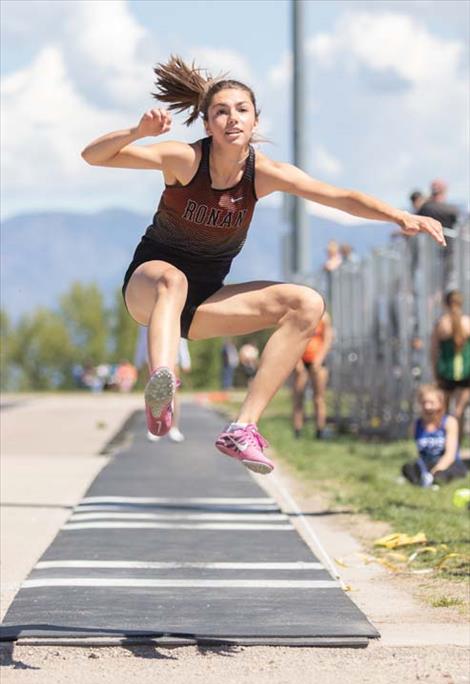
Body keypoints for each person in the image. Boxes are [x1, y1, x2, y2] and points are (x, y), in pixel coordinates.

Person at [81, 55, 445, 475]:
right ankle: (162, 383)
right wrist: (136, 133)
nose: (232, 118)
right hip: (149, 290)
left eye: (241, 110)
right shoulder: (183, 159)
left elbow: (336, 196)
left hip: (204, 305)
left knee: (306, 303)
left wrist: (400, 217)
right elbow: (94, 156)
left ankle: (243, 427)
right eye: (221, 111)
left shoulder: (264, 174)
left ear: (254, 122)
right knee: (172, 279)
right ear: (207, 125)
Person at [401, 384, 467, 487]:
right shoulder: (416, 425)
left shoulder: (449, 422)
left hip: (448, 464)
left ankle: (432, 481)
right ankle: (422, 481)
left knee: (440, 476)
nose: (427, 406)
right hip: (427, 464)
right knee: (407, 468)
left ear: (440, 404)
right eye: (424, 403)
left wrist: (434, 471)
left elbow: (450, 455)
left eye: (431, 403)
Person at [431, 290, 470, 440]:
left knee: (444, 412)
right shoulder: (467, 322)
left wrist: (435, 372)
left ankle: (445, 444)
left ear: (445, 304)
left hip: (446, 372)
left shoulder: (441, 324)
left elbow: (433, 352)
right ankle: (456, 447)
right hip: (466, 372)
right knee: (459, 412)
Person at [292, 311, 333, 439]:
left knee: (319, 398)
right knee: (298, 396)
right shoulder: (299, 316)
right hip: (302, 360)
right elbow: (292, 340)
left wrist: (319, 360)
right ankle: (297, 431)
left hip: (317, 362)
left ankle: (320, 430)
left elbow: (327, 340)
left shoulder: (324, 318)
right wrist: (297, 362)